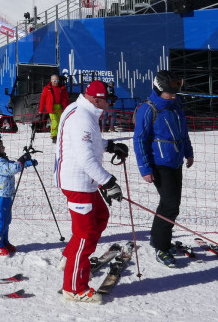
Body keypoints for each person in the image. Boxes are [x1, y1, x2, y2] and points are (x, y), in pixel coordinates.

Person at [53, 80, 128, 304]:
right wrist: (108, 182)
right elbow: (85, 158)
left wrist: (109, 146)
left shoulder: (84, 110)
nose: (110, 103)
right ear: (97, 99)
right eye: (108, 99)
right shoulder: (81, 118)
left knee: (100, 216)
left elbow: (86, 144)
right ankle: (74, 288)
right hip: (78, 183)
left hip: (83, 181)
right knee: (85, 235)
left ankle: (70, 257)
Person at [132, 70, 195, 267]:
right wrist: (145, 168)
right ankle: (161, 246)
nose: (173, 95)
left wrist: (188, 151)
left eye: (175, 91)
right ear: (159, 90)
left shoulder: (176, 104)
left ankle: (157, 237)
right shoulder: (148, 109)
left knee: (173, 204)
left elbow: (182, 130)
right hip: (159, 163)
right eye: (169, 92)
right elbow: (139, 139)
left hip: (175, 160)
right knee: (169, 205)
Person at [0, 132, 35, 256]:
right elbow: (11, 169)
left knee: (6, 220)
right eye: (0, 146)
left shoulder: (0, 160)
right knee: (1, 220)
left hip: (6, 194)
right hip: (1, 196)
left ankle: (3, 241)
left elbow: (12, 166)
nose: (3, 148)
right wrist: (21, 160)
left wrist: (26, 163)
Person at [37, 72, 69, 143]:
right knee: (55, 121)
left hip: (60, 107)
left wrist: (67, 108)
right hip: (51, 107)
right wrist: (40, 111)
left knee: (60, 121)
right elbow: (42, 100)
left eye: (57, 81)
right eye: (54, 81)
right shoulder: (46, 89)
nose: (56, 83)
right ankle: (54, 136)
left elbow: (66, 99)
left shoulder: (62, 88)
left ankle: (59, 135)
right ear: (51, 81)